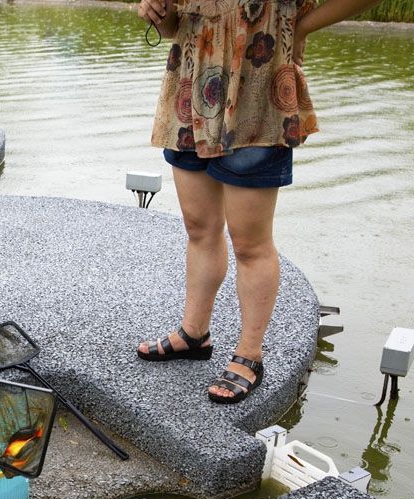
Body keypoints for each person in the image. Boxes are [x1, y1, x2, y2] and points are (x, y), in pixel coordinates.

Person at [135, 0, 383, 404]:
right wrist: (158, 14)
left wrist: (301, 28)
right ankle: (193, 333)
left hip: (257, 87)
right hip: (191, 83)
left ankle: (249, 355)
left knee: (249, 243)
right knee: (199, 227)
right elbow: (174, 26)